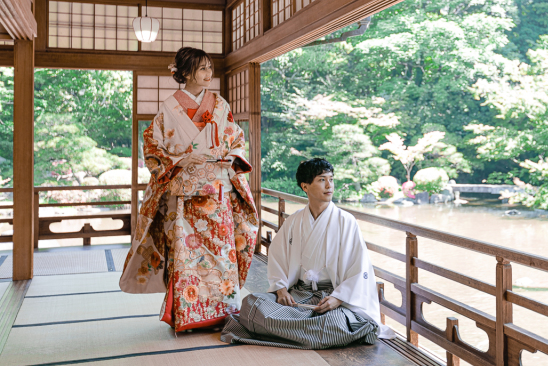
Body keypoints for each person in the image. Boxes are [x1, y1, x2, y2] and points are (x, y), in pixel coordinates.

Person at [119, 47, 258, 332]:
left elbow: (236, 139)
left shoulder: (220, 105)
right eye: (203, 68)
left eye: (210, 68)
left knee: (222, 256)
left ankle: (222, 314)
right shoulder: (168, 108)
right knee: (185, 259)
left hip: (217, 194)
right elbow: (153, 149)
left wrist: (230, 156)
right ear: (185, 73)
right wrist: (182, 158)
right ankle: (188, 316)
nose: (209, 74)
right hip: (183, 198)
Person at [220, 158, 395, 349]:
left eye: (331, 179)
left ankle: (284, 330)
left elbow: (359, 268)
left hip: (332, 300)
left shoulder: (346, 221)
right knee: (251, 304)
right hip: (299, 295)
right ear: (305, 186)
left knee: (334, 324)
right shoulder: (294, 221)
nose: (329, 185)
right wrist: (281, 289)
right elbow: (277, 256)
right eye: (322, 180)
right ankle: (306, 333)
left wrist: (338, 297)